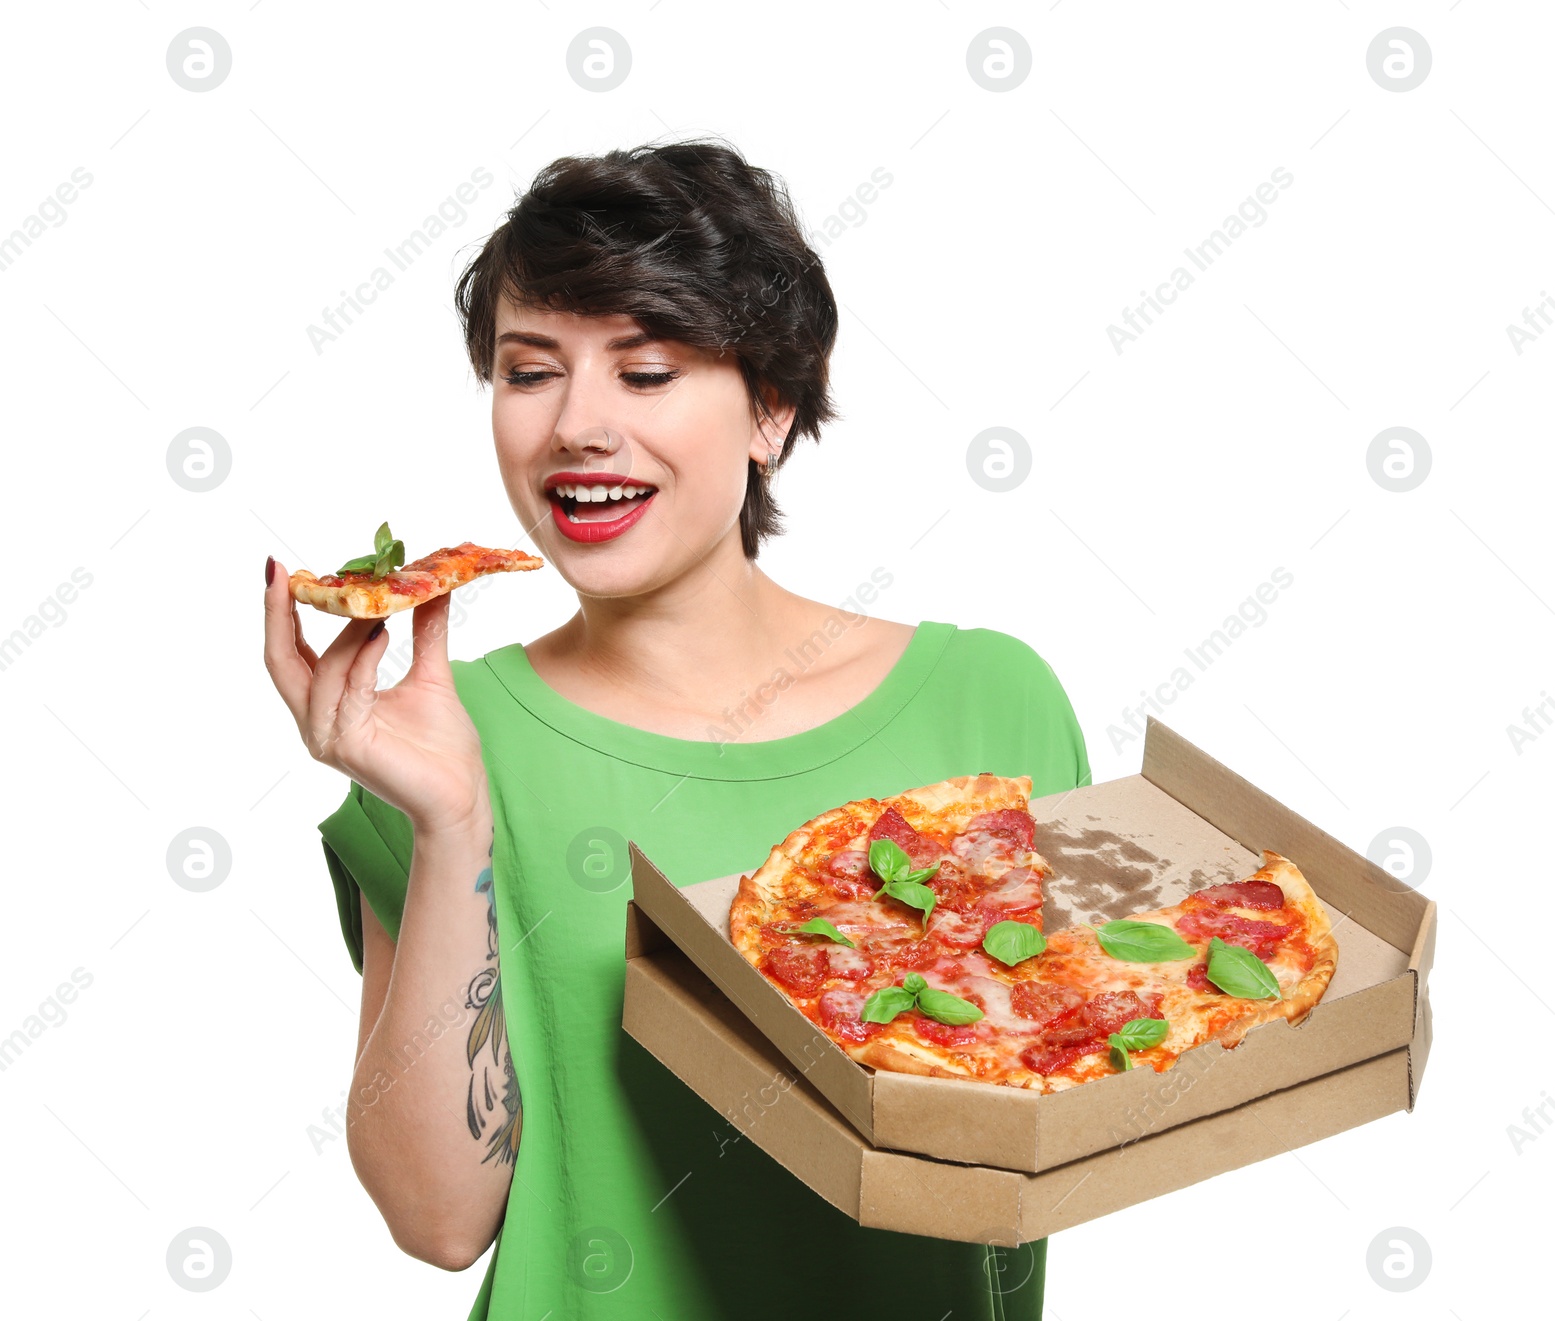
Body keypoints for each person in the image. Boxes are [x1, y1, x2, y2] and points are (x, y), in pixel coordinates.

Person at [263, 138, 1090, 1320]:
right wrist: (450, 823)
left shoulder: (992, 705)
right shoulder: (449, 736)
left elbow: (1071, 1103)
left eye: (645, 374)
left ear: (772, 407)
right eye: (528, 371)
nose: (576, 428)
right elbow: (439, 1221)